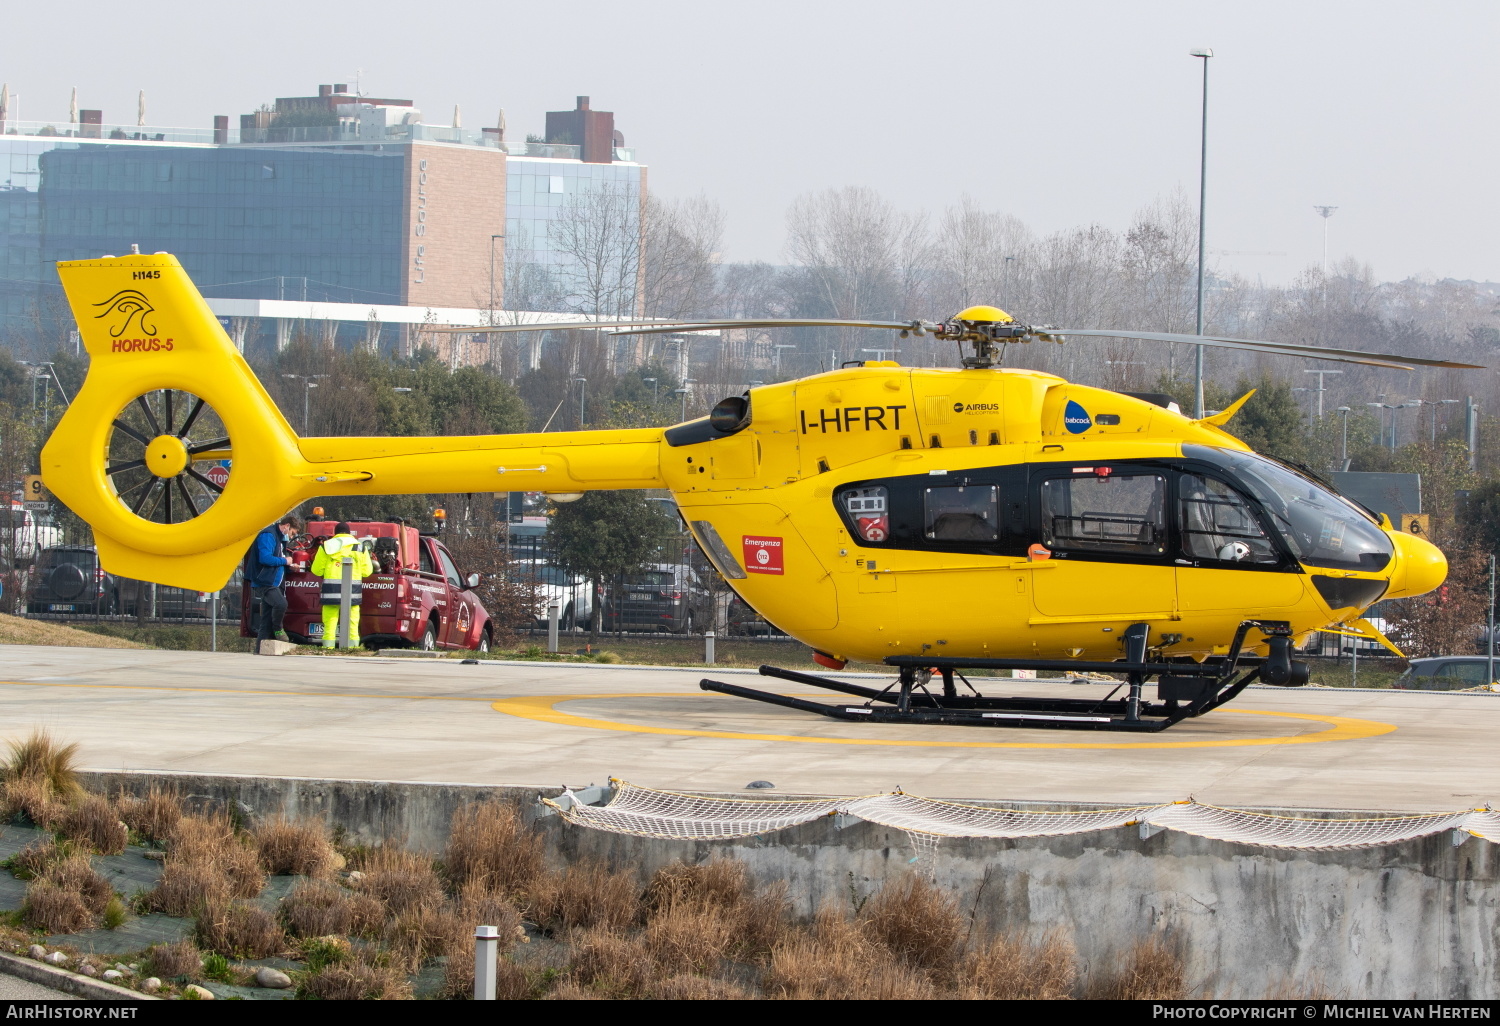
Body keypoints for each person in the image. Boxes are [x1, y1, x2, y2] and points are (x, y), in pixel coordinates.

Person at [310, 522, 373, 648]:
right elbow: (367, 572)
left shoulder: (326, 546)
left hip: (331, 590)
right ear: (349, 533)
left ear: (335, 533)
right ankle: (353, 648)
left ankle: (328, 646)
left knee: (330, 620)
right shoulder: (360, 547)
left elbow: (316, 570)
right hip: (352, 591)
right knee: (353, 621)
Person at [248, 517, 301, 645]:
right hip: (265, 581)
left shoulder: (280, 539)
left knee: (266, 621)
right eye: (292, 533)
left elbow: (277, 561)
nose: (291, 536)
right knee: (281, 603)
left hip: (273, 582)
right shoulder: (268, 535)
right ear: (286, 526)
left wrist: (289, 567)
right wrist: (285, 561)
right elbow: (265, 558)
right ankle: (278, 629)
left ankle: (260, 650)